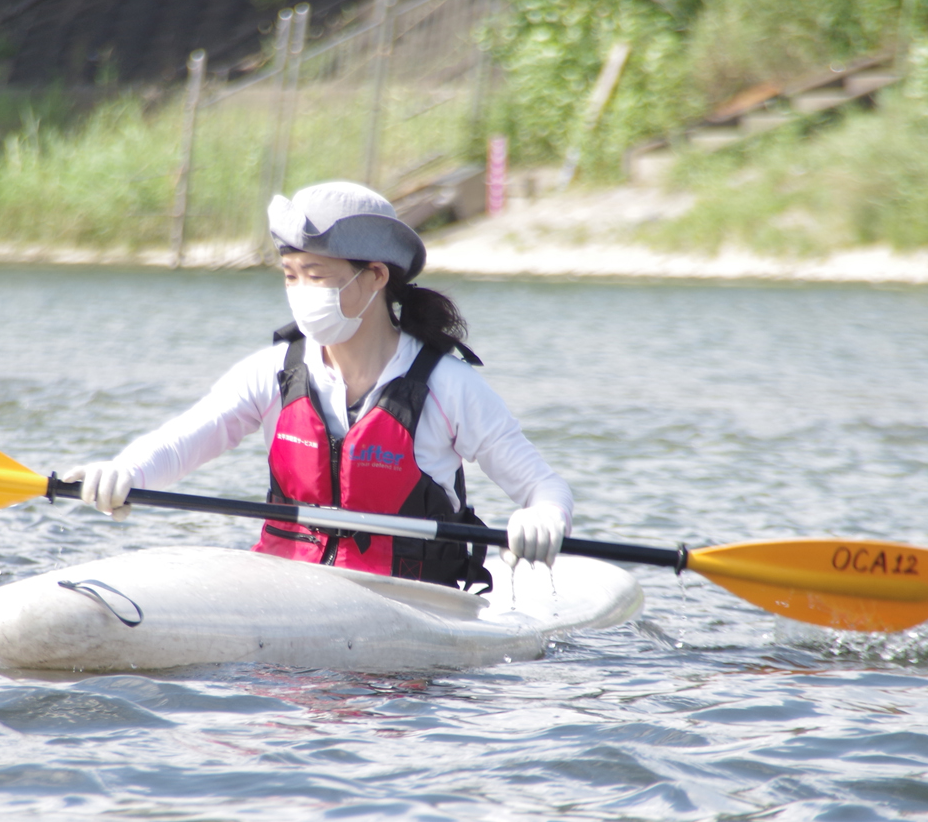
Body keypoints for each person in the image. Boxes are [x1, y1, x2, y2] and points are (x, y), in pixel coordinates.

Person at [62, 181, 571, 590]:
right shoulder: (272, 372)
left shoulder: (449, 387)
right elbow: (186, 438)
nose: (300, 292)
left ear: (373, 277)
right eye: (290, 275)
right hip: (288, 592)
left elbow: (545, 489)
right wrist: (126, 471)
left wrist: (543, 518)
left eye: (316, 275)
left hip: (410, 611)